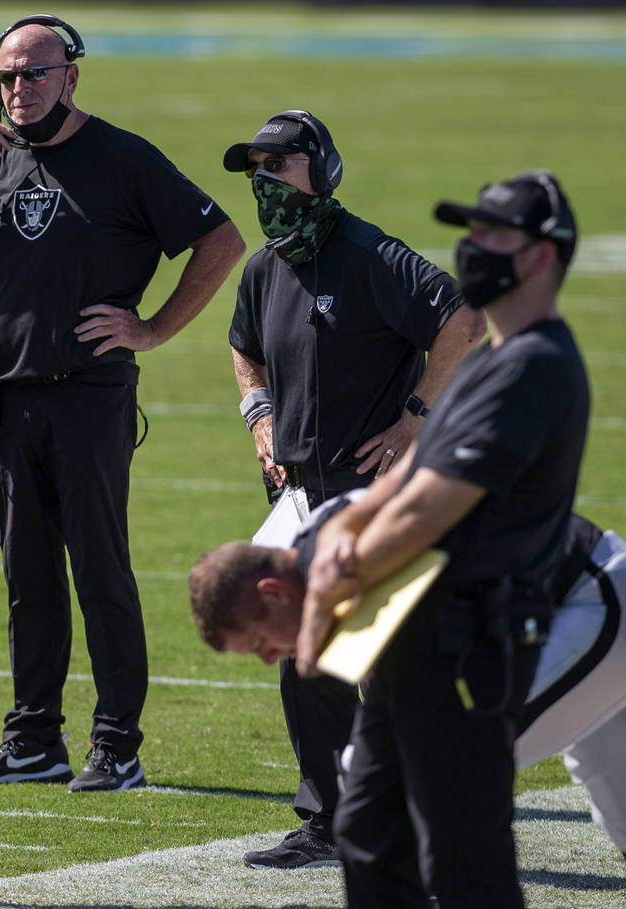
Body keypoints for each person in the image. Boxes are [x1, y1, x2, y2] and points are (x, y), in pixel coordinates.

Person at [0, 15, 245, 792]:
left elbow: (221, 240)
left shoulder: (123, 158)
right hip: (6, 399)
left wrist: (152, 327)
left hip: (90, 398)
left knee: (100, 569)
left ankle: (118, 744)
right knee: (27, 574)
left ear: (72, 76)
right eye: (5, 77)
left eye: (33, 73)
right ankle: (33, 739)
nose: (17, 90)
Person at [293, 170, 589, 908]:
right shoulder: (492, 356)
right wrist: (346, 527)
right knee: (368, 833)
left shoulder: (536, 367)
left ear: (543, 257)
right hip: (414, 636)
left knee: (465, 860)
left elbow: (430, 507)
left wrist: (337, 572)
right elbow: (405, 477)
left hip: (468, 644)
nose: (472, 247)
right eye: (471, 231)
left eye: (494, 236)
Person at [222, 110, 486, 868]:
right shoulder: (266, 265)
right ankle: (340, 813)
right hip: (300, 495)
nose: (265, 182)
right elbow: (244, 348)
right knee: (304, 652)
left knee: (364, 657)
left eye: (279, 166)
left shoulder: (369, 252)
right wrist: (259, 414)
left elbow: (463, 319)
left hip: (366, 493)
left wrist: (415, 416)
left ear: (322, 170)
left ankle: (393, 806)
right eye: (255, 171)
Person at [189, 508, 626, 882]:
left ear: (274, 593)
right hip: (594, 613)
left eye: (258, 643)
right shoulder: (324, 558)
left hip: (597, 603)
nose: (269, 659)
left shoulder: (343, 568)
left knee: (425, 772)